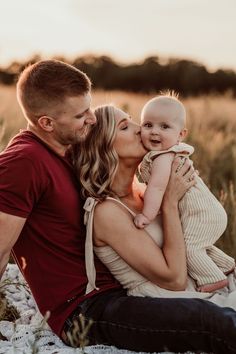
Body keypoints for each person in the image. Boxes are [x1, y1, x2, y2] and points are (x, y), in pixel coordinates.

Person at [0, 60, 236, 354]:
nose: (91, 119)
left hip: (119, 289)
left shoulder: (67, 151)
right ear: (46, 122)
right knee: (207, 320)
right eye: (80, 114)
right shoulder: (25, 161)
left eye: (89, 109)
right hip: (87, 308)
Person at [133, 93, 235, 292]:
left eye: (164, 127)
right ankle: (226, 265)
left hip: (202, 214)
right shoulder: (162, 153)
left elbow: (157, 187)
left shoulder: (164, 156)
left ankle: (211, 279)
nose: (154, 132)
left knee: (188, 246)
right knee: (198, 243)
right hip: (204, 213)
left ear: (181, 134)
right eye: (148, 125)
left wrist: (147, 214)